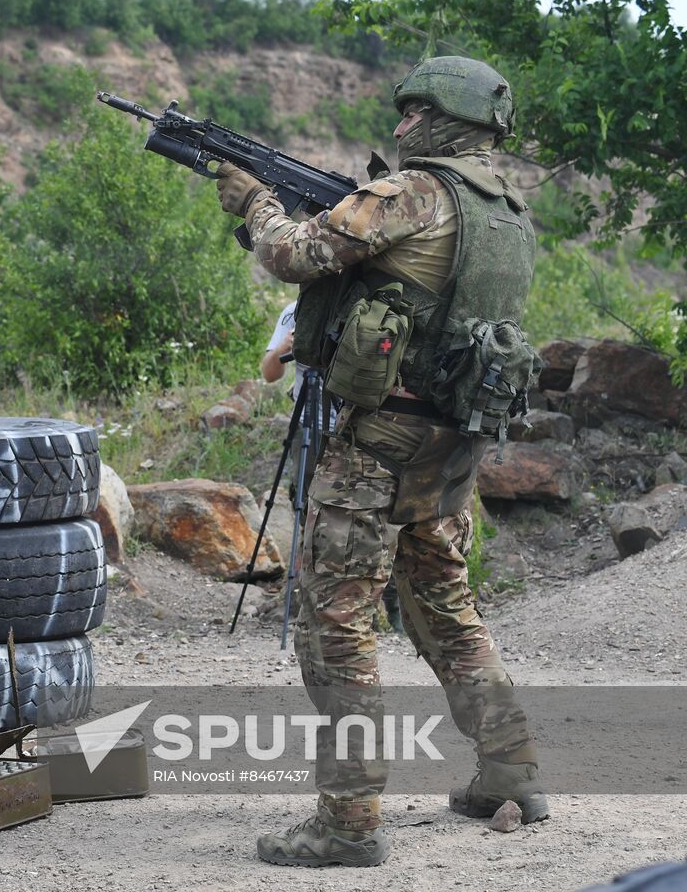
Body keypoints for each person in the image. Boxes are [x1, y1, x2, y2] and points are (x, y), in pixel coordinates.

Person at [214, 56, 548, 868]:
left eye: (412, 113)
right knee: (443, 607)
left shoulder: (413, 194)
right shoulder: (505, 209)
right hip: (450, 447)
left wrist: (254, 203)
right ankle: (510, 772)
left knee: (335, 625)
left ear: (445, 118)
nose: (399, 128)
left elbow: (295, 255)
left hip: (379, 447)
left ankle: (348, 822)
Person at [263, 302, 405, 635]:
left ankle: (391, 604)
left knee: (374, 513)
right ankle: (312, 603)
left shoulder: (366, 305)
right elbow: (270, 372)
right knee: (308, 507)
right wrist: (287, 347)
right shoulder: (296, 310)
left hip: (358, 425)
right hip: (310, 424)